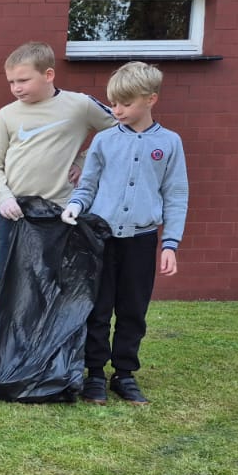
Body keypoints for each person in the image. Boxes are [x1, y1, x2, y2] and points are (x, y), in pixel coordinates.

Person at [61, 61, 189, 406]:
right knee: (98, 309)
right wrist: (75, 205)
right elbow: (86, 185)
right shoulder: (103, 141)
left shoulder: (169, 143)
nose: (116, 110)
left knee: (133, 308)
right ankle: (95, 375)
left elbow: (176, 193)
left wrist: (170, 243)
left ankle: (124, 374)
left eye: (125, 103)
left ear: (151, 99)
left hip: (142, 240)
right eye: (113, 102)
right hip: (102, 240)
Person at [0, 41, 115, 288]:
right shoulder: (6, 114)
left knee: (61, 288)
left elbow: (122, 131)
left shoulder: (80, 105)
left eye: (23, 80)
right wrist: (3, 199)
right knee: (11, 290)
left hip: (63, 214)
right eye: (11, 82)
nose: (16, 88)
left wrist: (84, 161)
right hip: (15, 215)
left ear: (48, 74)